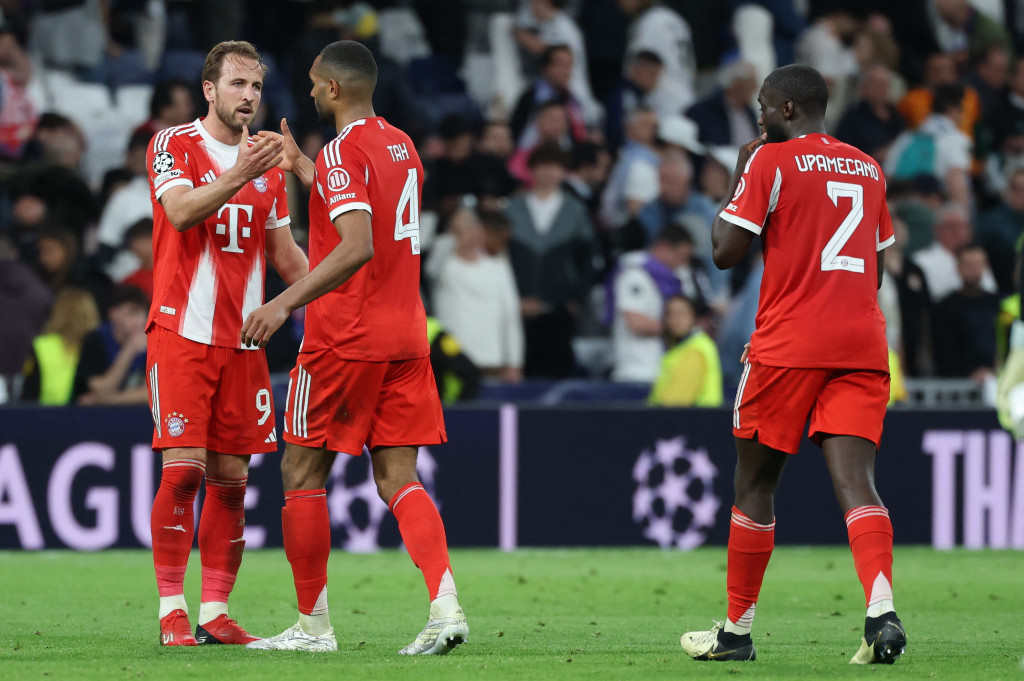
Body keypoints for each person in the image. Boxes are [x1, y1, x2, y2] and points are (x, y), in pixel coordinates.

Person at [240, 40, 467, 655]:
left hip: (345, 338)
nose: (310, 91)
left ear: (334, 89)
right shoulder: (399, 143)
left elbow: (357, 243)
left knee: (301, 470)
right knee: (399, 478)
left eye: (315, 83)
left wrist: (284, 302)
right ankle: (445, 607)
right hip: (405, 337)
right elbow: (370, 211)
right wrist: (302, 168)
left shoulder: (341, 150)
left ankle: (313, 628)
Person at [679, 65, 906, 665]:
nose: (757, 116)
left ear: (784, 110)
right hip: (860, 344)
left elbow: (725, 254)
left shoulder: (770, 161)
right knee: (858, 483)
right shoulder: (869, 168)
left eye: (761, 105)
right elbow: (874, 272)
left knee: (755, 484)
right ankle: (880, 610)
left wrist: (738, 172)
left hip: (788, 347)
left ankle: (735, 633)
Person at [144, 40, 308, 647]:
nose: (249, 96)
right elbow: (182, 212)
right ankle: (171, 610)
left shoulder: (270, 166)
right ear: (209, 90)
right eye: (237, 84)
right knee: (182, 473)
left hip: (244, 342)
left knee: (232, 483)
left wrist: (345, 288)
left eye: (257, 87)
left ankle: (215, 610)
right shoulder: (173, 145)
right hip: (182, 333)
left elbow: (286, 257)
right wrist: (243, 170)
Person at [73, 285, 150, 406]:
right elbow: (100, 389)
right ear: (113, 313)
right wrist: (129, 350)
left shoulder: (151, 342)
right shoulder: (96, 340)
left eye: (142, 313)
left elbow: (152, 393)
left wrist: (111, 400)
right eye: (132, 312)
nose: (139, 320)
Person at [648, 294, 722, 407]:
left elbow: (675, 403)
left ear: (694, 316)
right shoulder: (682, 347)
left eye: (681, 313)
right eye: (670, 314)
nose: (675, 319)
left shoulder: (695, 350)